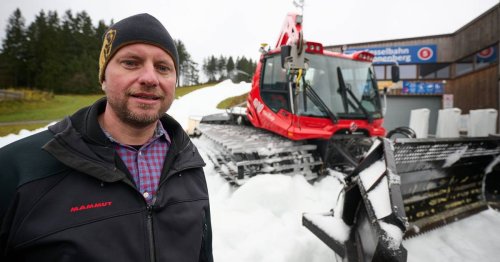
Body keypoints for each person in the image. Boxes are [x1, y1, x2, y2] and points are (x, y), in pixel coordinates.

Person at [0, 13, 213, 262]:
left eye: (163, 67)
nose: (150, 78)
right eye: (131, 63)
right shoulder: (18, 170)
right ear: (103, 77)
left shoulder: (189, 165)